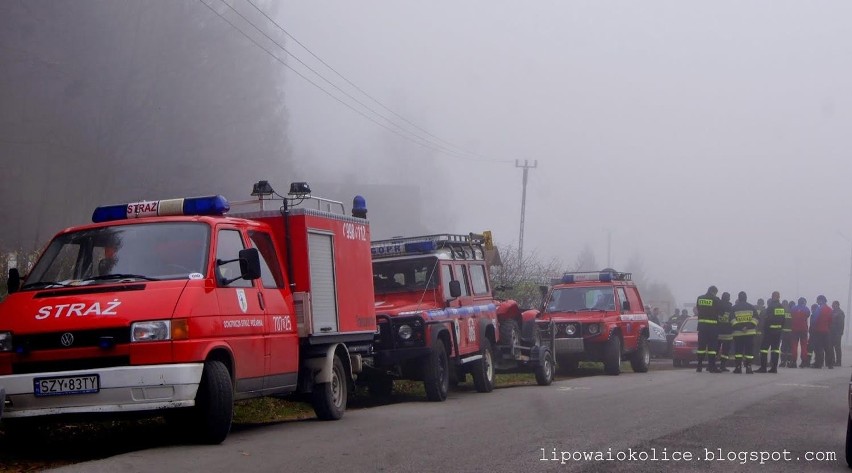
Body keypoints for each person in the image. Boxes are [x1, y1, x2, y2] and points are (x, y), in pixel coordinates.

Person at [695, 285, 722, 373]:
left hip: (702, 326)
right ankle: (711, 367)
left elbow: (698, 309)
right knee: (712, 348)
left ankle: (699, 366)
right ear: (714, 292)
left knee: (701, 347)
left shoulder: (700, 298)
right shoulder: (716, 300)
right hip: (712, 327)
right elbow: (720, 312)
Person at [757, 291, 784, 373]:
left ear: (773, 296)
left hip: (769, 331)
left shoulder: (771, 306)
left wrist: (765, 327)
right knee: (775, 350)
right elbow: (783, 320)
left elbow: (767, 318)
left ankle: (763, 367)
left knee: (763, 349)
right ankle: (774, 368)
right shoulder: (781, 307)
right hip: (778, 331)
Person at [731, 291, 758, 374]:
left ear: (739, 298)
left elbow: (732, 320)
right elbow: (756, 319)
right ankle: (748, 367)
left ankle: (738, 367)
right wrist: (748, 327)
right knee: (749, 351)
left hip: (738, 333)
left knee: (738, 351)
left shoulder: (734, 308)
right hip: (749, 333)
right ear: (746, 298)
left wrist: (740, 328)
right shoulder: (752, 307)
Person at [810, 295, 834, 369]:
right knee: (828, 348)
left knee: (819, 348)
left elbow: (814, 319)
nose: (817, 302)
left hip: (818, 331)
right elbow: (831, 320)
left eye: (818, 300)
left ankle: (818, 364)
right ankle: (830, 364)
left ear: (821, 300)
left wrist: (813, 327)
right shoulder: (830, 309)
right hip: (827, 331)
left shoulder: (819, 309)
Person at [790, 297, 810, 368]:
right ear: (804, 302)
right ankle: (804, 362)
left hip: (794, 330)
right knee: (804, 346)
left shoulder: (793, 308)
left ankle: (793, 362)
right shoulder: (806, 309)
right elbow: (808, 315)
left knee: (794, 346)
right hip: (803, 330)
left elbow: (791, 316)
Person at [716, 292, 734, 372]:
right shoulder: (730, 307)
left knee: (714, 349)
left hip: (717, 331)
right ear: (728, 298)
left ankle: (711, 365)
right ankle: (722, 366)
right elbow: (732, 319)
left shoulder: (717, 305)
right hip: (728, 332)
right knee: (725, 351)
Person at [779, 300, 794, 367]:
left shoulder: (782, 311)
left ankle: (782, 362)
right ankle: (789, 361)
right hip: (791, 332)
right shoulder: (792, 312)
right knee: (790, 348)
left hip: (783, 332)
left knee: (783, 348)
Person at [831, 300, 845, 367]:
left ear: (837, 305)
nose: (832, 306)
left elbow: (841, 324)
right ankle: (832, 361)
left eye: (834, 304)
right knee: (831, 347)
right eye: (832, 304)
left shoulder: (840, 313)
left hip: (837, 333)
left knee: (837, 348)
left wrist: (840, 332)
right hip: (832, 332)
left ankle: (838, 362)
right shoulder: (832, 312)